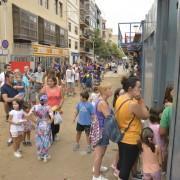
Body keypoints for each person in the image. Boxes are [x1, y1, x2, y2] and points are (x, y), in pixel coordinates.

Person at [115, 76, 149, 180]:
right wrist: (141, 101)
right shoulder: (132, 104)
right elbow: (145, 115)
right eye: (138, 87)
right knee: (126, 168)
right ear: (130, 88)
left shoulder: (120, 98)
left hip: (122, 136)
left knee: (123, 163)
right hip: (131, 140)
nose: (140, 89)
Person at [92, 83, 113, 180]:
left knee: (99, 153)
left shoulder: (100, 99)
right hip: (102, 130)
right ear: (104, 91)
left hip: (99, 129)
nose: (111, 90)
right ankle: (96, 176)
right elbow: (109, 118)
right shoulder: (103, 103)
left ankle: (97, 168)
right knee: (99, 153)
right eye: (109, 88)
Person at [29, 94, 53, 162]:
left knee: (39, 140)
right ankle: (45, 155)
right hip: (46, 125)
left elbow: (29, 115)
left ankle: (40, 155)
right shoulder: (48, 107)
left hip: (38, 125)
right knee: (45, 140)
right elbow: (52, 117)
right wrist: (49, 122)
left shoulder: (35, 107)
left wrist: (35, 121)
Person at [41, 76, 64, 141]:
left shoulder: (59, 88)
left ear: (54, 82)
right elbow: (40, 95)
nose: (49, 82)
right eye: (48, 81)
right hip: (47, 108)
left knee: (56, 123)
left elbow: (62, 98)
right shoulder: (45, 88)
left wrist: (59, 106)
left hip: (56, 108)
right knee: (49, 123)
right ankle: (51, 136)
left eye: (51, 81)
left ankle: (55, 133)